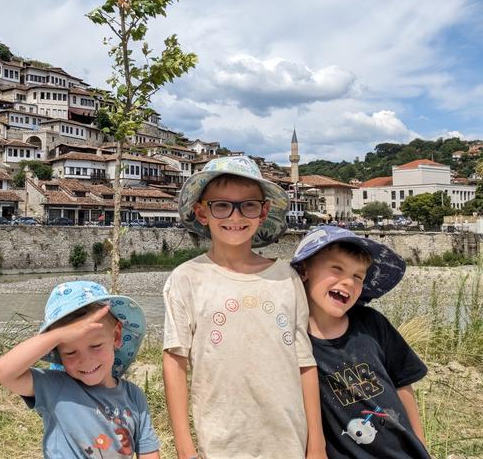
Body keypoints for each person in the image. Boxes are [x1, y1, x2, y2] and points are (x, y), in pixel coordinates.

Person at [163, 155, 325, 459]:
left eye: (247, 205)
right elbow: (174, 361)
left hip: (288, 438)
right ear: (201, 213)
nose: (235, 216)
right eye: (221, 205)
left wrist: (316, 442)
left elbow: (305, 362)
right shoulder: (186, 280)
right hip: (221, 440)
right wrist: (185, 448)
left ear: (263, 212)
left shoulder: (286, 278)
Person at [291, 225, 429, 458]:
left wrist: (421, 445)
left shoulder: (371, 323)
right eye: (337, 269)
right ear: (304, 270)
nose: (348, 282)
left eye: (357, 276)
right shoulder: (294, 339)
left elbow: (403, 384)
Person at [0, 280, 161, 458]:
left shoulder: (134, 396)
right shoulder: (55, 387)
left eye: (95, 345)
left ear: (116, 336)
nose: (85, 360)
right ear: (57, 350)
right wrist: (58, 335)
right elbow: (4, 372)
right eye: (70, 352)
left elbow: (148, 450)